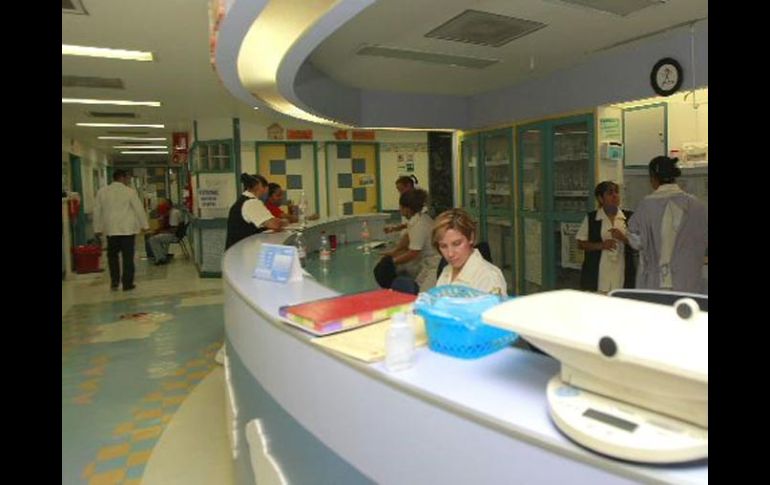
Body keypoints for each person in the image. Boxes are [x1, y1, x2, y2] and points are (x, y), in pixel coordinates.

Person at [626, 156, 708, 293]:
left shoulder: (646, 206)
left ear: (653, 178)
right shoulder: (697, 205)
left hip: (657, 283)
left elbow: (635, 241)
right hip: (690, 282)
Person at [93, 169, 150, 291]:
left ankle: (114, 283)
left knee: (112, 257)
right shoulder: (129, 192)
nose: (127, 181)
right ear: (123, 178)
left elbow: (97, 211)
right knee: (128, 257)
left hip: (111, 231)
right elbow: (139, 209)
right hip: (127, 230)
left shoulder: (102, 192)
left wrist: (97, 228)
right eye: (127, 178)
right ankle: (127, 284)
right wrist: (145, 226)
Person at [576, 181, 636, 293]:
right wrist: (601, 245)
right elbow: (580, 243)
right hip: (598, 274)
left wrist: (623, 238)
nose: (615, 196)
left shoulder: (628, 217)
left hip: (622, 273)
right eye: (610, 193)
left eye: (616, 192)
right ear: (600, 198)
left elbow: (639, 243)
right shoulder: (592, 218)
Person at [377, 188, 441, 291]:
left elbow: (413, 253)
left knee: (423, 293)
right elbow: (407, 235)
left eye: (401, 207)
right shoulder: (420, 218)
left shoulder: (419, 225)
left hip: (434, 264)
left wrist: (393, 262)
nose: (400, 210)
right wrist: (394, 252)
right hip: (427, 262)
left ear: (407, 209)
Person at [433, 208, 506, 295]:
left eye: (457, 244)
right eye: (443, 246)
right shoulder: (447, 271)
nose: (450, 253)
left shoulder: (488, 277)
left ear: (471, 237)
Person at [225, 173, 286, 250]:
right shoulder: (252, 203)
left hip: (237, 250)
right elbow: (274, 224)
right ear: (260, 186)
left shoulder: (244, 201)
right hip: (242, 253)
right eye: (266, 188)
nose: (267, 193)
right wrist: (284, 222)